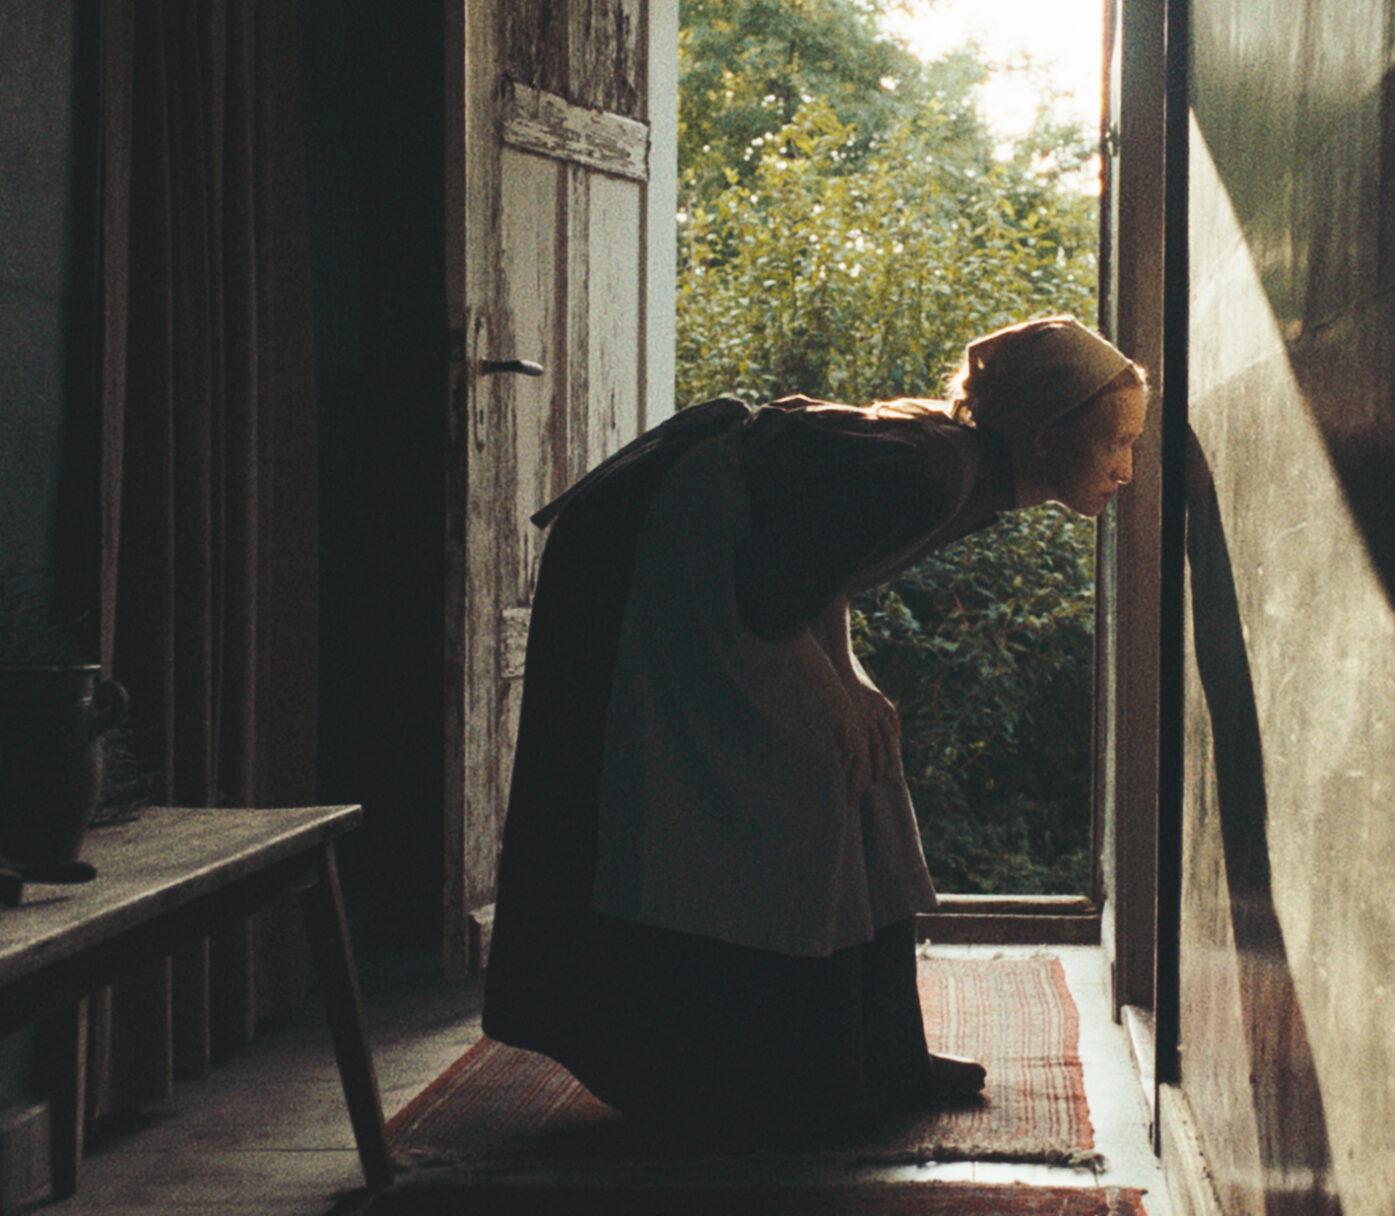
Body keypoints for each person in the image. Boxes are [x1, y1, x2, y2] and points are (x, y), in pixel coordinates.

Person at [481, 314, 1148, 1138]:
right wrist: (832, 699)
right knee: (793, 778)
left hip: (727, 550)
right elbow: (772, 586)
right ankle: (774, 1063)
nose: (1127, 467)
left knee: (863, 755)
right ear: (1047, 438)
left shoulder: (957, 470)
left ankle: (880, 1050)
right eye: (1116, 440)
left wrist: (853, 683)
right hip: (664, 543)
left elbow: (823, 564)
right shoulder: (932, 472)